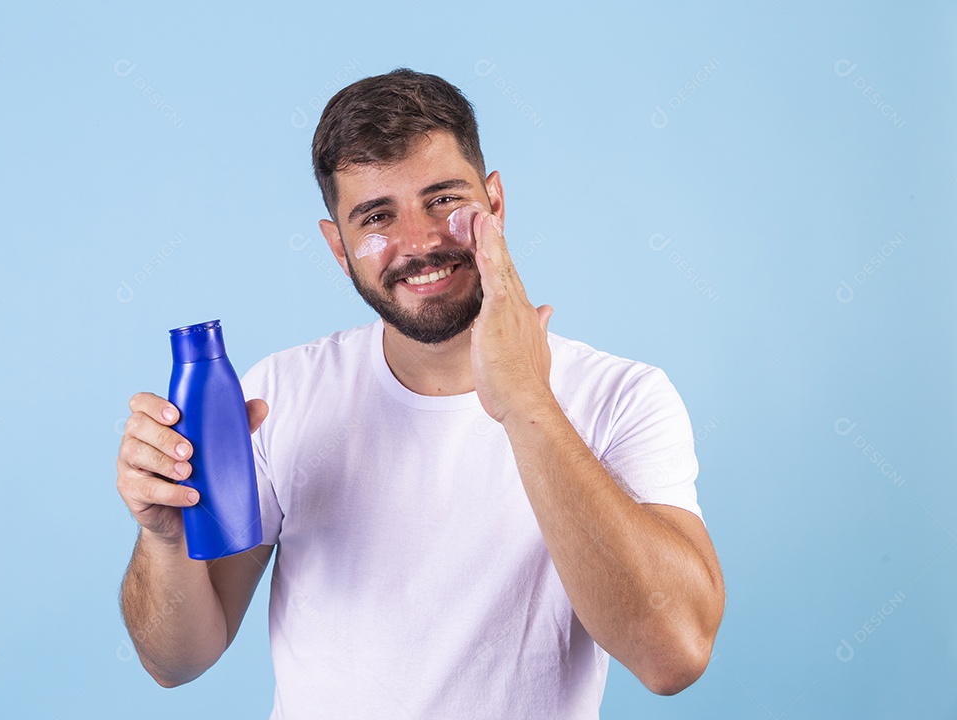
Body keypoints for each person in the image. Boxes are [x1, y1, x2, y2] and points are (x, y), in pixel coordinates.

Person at [117, 68, 725, 718]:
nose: (419, 242)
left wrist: (528, 404)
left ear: (494, 201)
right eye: (377, 216)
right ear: (338, 248)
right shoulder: (282, 394)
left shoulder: (622, 398)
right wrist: (164, 537)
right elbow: (175, 662)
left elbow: (674, 655)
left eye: (443, 200)